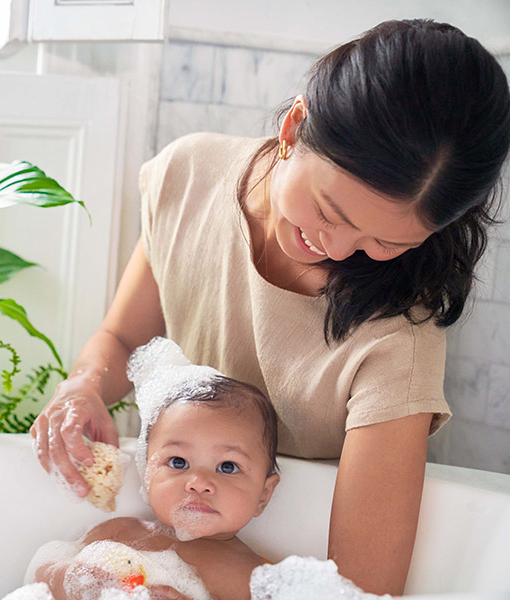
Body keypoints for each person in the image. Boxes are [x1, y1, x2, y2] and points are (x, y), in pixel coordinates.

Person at [31, 18, 510, 596]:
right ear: (294, 126)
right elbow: (125, 341)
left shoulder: (400, 335)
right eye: (330, 210)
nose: (336, 249)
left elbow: (357, 589)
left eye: (387, 243)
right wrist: (82, 385)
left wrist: (157, 547)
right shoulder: (190, 176)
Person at [32, 339, 280, 600]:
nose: (198, 481)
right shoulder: (118, 533)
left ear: (263, 495)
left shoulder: (255, 577)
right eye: (178, 462)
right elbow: (41, 579)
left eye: (227, 467)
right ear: (147, 472)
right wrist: (72, 578)